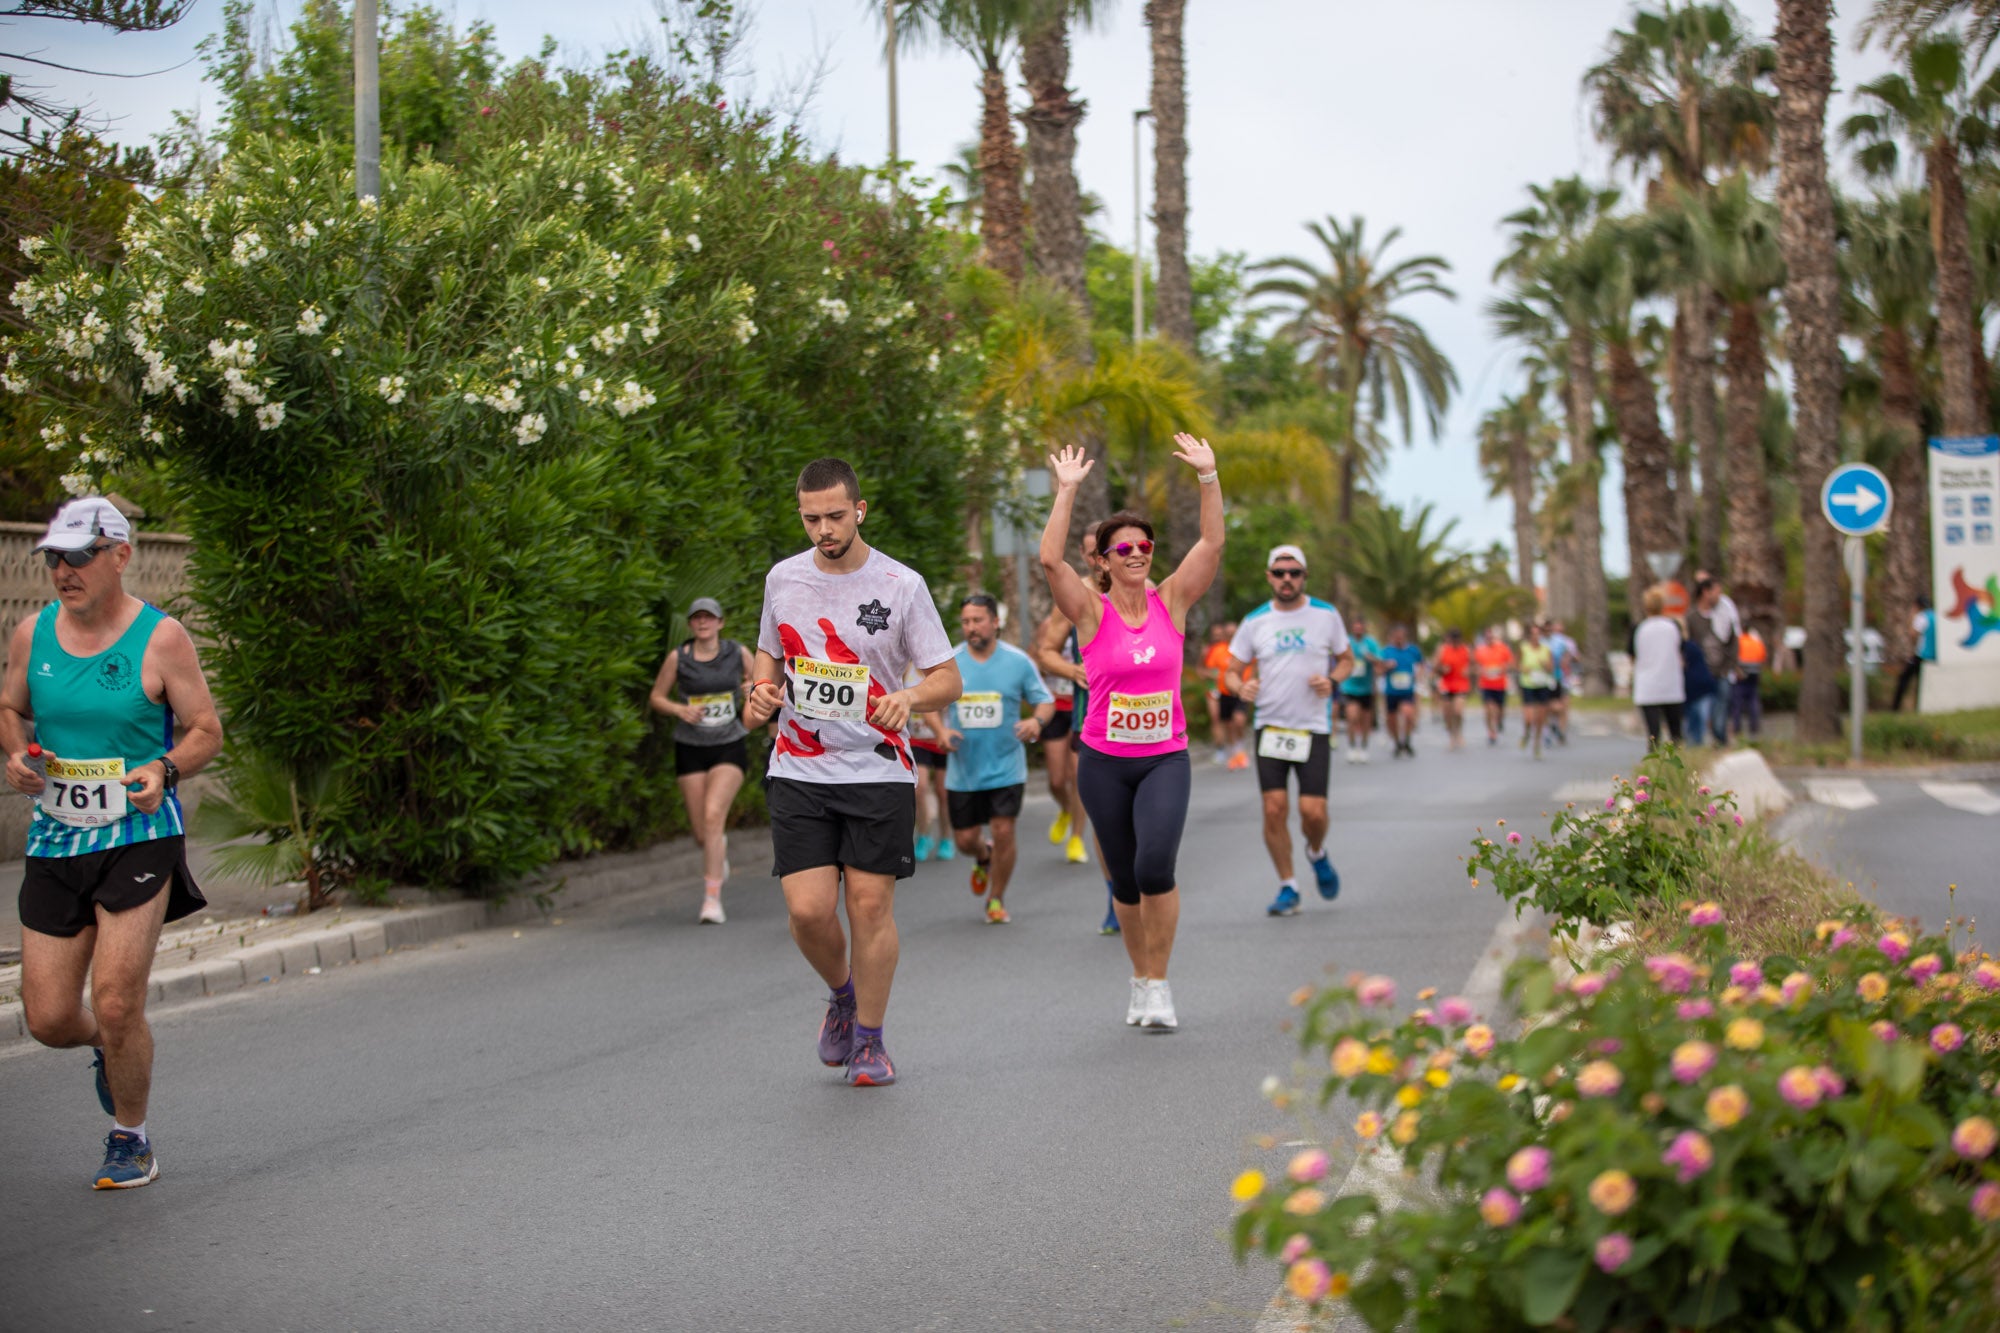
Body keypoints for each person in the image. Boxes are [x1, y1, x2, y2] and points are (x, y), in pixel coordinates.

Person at [4, 497, 224, 1189]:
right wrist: (15, 753)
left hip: (139, 833)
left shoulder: (161, 640)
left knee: (120, 996)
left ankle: (131, 1137)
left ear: (119, 556)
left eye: (79, 555)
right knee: (46, 1016)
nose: (62, 570)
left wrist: (163, 769)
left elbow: (205, 730)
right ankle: (109, 1043)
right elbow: (11, 707)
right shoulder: (30, 633)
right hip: (56, 835)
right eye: (54, 557)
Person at [742, 458, 962, 1089]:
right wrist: (760, 693)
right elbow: (770, 656)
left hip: (877, 768)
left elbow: (947, 677)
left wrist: (910, 700)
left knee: (868, 905)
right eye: (811, 518)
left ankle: (870, 1039)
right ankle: (841, 996)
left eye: (835, 516)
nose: (824, 529)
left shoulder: (901, 585)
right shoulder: (783, 579)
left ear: (859, 511)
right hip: (799, 767)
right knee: (809, 911)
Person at [1039, 434, 1222, 1031]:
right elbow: (1049, 561)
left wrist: (1208, 478)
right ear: (1103, 560)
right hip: (1103, 761)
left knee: (1155, 867)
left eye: (1144, 545)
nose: (1138, 554)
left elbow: (1212, 543)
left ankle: (1161, 984)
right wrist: (1065, 491)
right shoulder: (1091, 613)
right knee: (1121, 874)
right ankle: (1139, 979)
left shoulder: (1172, 601)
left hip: (1164, 758)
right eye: (1124, 549)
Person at [1224, 544, 1354, 917]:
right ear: (1269, 577)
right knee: (1273, 808)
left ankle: (1316, 852)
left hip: (1311, 727)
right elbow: (1232, 671)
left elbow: (1347, 660)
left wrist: (1332, 680)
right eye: (1279, 572)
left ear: (1304, 577)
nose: (1286, 579)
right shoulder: (1255, 621)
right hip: (1271, 727)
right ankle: (1288, 886)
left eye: (1294, 573)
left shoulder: (1326, 615)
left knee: (1313, 812)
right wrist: (1240, 687)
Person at [943, 594, 1055, 924]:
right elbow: (930, 703)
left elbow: (1045, 701)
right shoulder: (949, 662)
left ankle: (996, 898)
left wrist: (1037, 721)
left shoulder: (1018, 662)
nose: (971, 628)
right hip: (963, 770)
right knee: (964, 840)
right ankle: (983, 854)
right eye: (965, 622)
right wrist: (939, 730)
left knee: (1004, 830)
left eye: (978, 620)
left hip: (1007, 767)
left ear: (995, 622)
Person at [649, 597, 752, 924]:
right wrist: (681, 710)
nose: (703, 623)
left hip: (729, 744)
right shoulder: (678, 657)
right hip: (690, 746)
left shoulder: (737, 652)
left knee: (712, 816)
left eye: (709, 618)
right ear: (691, 624)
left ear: (721, 622)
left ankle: (711, 900)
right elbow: (656, 697)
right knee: (701, 833)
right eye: (697, 619)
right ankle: (715, 851)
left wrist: (752, 688)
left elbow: (761, 682)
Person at [1032, 603, 1089, 866]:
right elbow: (1035, 660)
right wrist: (1056, 667)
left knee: (1077, 776)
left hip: (1082, 707)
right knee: (1056, 780)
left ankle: (1076, 838)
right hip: (1056, 706)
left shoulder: (1090, 621)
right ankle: (1066, 809)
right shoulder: (1048, 626)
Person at [1630, 585, 1686, 748]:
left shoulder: (1639, 629)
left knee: (1653, 735)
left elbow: (1633, 656)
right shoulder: (1673, 627)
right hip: (1671, 684)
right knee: (1676, 734)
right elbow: (1681, 651)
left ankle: (1653, 768)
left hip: (1648, 686)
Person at [1685, 577, 1735, 746]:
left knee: (1720, 711)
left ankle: (1720, 742)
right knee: (1699, 711)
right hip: (1700, 675)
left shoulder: (1723, 616)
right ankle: (1696, 744)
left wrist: (1730, 666)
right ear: (1705, 592)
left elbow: (1732, 642)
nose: (1720, 596)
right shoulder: (1691, 618)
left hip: (1721, 672)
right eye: (1717, 591)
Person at [907, 688, 954, 863]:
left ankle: (946, 838)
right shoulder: (908, 667)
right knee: (920, 788)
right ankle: (923, 835)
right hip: (918, 740)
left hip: (943, 740)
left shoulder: (943, 666)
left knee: (943, 793)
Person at [1338, 615, 1381, 763]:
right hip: (1350, 687)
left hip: (1366, 688)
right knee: (1351, 717)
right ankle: (1351, 747)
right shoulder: (1346, 642)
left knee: (1365, 721)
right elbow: (1338, 658)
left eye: (1360, 627)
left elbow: (1379, 661)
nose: (1358, 629)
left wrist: (1371, 658)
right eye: (1355, 627)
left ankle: (1363, 747)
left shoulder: (1370, 643)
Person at [1378, 623, 1425, 758]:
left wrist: (1419, 674)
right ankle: (1397, 742)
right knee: (1391, 719)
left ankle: (1407, 740)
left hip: (1407, 690)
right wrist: (1387, 666)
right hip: (1391, 691)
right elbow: (1379, 669)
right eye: (1396, 637)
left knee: (1408, 714)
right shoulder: (1386, 651)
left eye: (1401, 637)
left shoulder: (1413, 650)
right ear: (1392, 637)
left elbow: (1421, 664)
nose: (1399, 639)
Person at [1516, 620, 1556, 759]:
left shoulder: (1546, 649)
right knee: (1529, 718)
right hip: (1528, 685)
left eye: (1538, 634)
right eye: (1533, 634)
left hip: (1542, 685)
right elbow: (1517, 665)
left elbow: (1551, 669)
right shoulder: (1524, 648)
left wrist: (1545, 665)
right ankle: (1526, 733)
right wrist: (1523, 669)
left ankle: (1537, 744)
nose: (1536, 636)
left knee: (1540, 718)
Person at [1432, 627, 1472, 749]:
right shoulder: (1443, 650)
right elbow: (1435, 667)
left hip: (1461, 684)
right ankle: (1451, 735)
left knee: (1458, 711)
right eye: (1453, 639)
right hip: (1446, 685)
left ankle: (1458, 732)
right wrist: (1442, 669)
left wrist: (1469, 671)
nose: (1455, 642)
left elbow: (1475, 666)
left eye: (1457, 639)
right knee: (1447, 713)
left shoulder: (1466, 650)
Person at [1892, 595, 1935, 712]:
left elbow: (1912, 634)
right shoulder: (1934, 616)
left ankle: (1895, 708)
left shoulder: (1922, 617)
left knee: (1904, 679)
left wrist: (1912, 616)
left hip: (1922, 655)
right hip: (1933, 656)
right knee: (1923, 683)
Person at [1474, 626, 1515, 745]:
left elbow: (1511, 664)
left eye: (1491, 636)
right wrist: (1480, 671)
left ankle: (1499, 722)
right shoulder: (1480, 650)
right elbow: (1475, 666)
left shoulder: (1503, 648)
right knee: (1489, 709)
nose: (1489, 639)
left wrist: (1502, 669)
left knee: (1499, 709)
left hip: (1500, 684)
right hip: (1486, 684)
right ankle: (1491, 732)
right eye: (1487, 636)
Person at [1730, 622, 1768, 739]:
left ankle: (1737, 727)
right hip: (1754, 673)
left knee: (1737, 701)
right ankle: (1754, 726)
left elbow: (1733, 657)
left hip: (1741, 674)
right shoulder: (1756, 642)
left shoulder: (1739, 642)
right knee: (1753, 700)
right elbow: (1763, 657)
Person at [1545, 619, 1576, 744]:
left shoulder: (1564, 642)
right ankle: (1553, 725)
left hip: (1563, 678)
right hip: (1548, 679)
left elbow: (1572, 655)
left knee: (1564, 706)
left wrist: (1566, 660)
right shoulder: (1543, 642)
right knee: (1549, 706)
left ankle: (1561, 731)